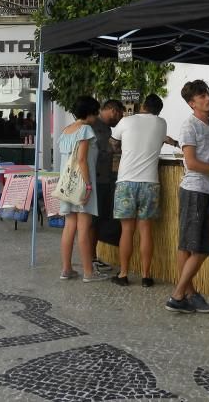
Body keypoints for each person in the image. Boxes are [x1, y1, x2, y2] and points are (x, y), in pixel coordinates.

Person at [166, 79, 209, 315]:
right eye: (202, 96)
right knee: (200, 246)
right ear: (192, 103)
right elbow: (191, 163)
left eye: (208, 94)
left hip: (205, 191)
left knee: (188, 246)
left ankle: (188, 295)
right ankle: (178, 295)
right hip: (194, 190)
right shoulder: (189, 126)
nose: (208, 98)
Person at [110, 94, 175, 287]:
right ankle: (146, 276)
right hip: (150, 183)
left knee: (127, 230)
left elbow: (113, 143)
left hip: (126, 182)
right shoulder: (161, 123)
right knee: (146, 231)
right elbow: (159, 139)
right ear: (158, 110)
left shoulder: (126, 120)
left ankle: (123, 274)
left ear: (143, 106)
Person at [58, 96, 109, 283]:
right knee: (84, 228)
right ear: (89, 112)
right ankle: (89, 272)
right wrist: (88, 185)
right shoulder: (86, 129)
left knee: (69, 226)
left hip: (66, 185)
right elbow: (81, 160)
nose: (96, 116)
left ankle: (66, 269)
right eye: (95, 112)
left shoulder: (65, 131)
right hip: (81, 184)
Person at [89, 99, 124, 273]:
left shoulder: (108, 129)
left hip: (104, 180)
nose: (120, 118)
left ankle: (93, 258)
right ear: (111, 110)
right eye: (119, 114)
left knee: (98, 221)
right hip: (93, 181)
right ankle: (89, 261)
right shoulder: (92, 125)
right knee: (90, 223)